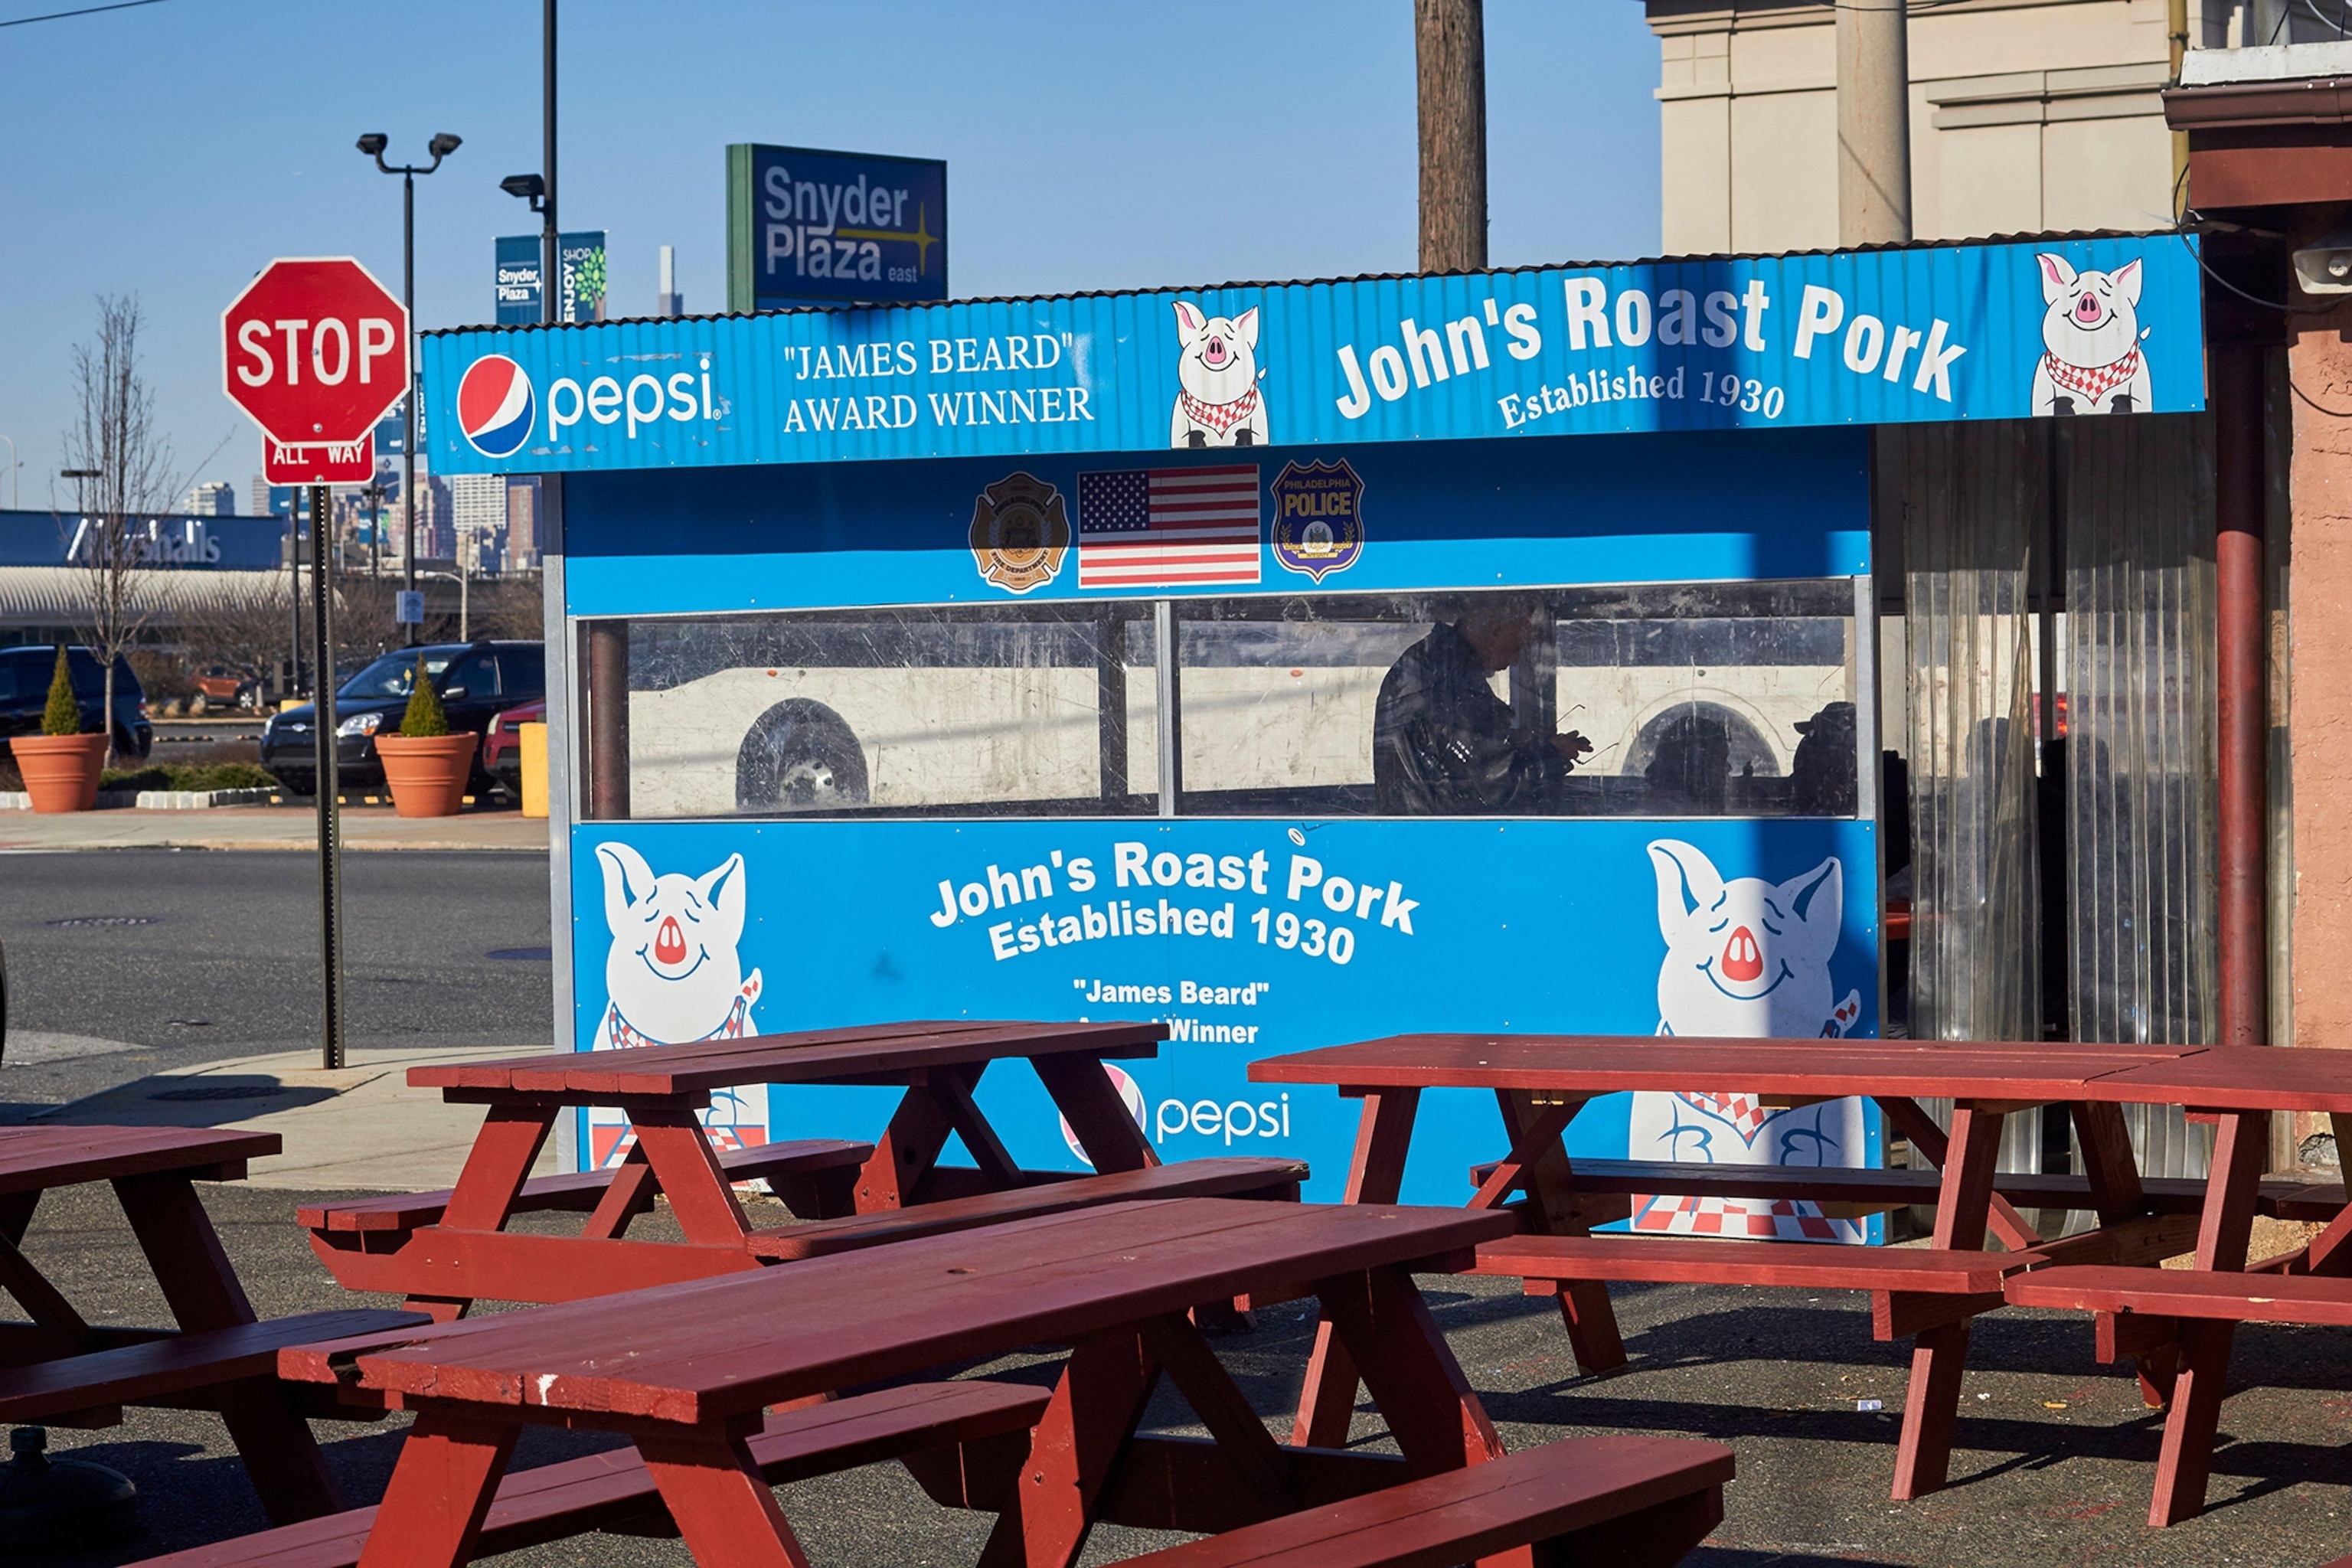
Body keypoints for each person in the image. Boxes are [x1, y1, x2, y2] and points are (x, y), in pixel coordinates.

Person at [1372, 596, 1591, 814]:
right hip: (1436, 835)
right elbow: (1485, 783)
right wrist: (1551, 756)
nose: (1515, 660)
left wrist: (1529, 742)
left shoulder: (1443, 665)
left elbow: (1464, 749)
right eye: (1516, 646)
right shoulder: (1441, 677)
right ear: (1495, 631)